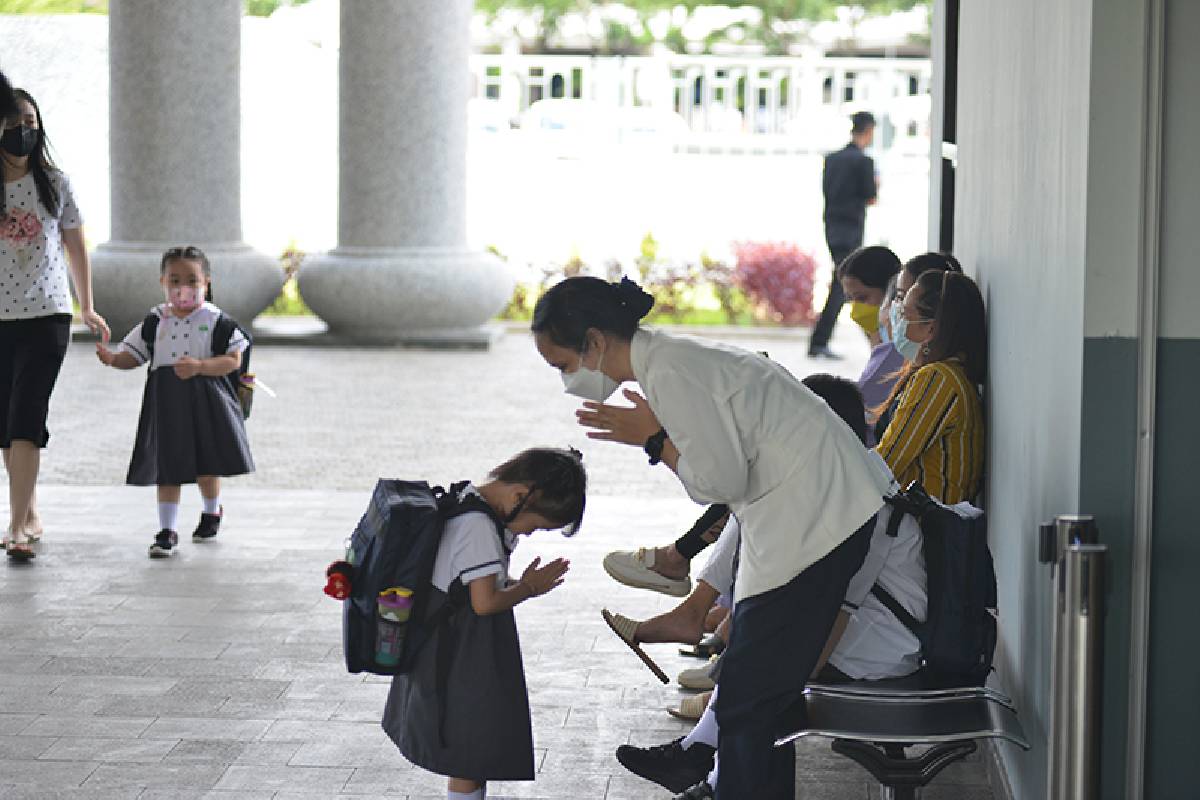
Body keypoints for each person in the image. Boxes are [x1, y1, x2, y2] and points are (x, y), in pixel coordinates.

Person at [532, 276, 891, 799]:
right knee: (761, 697)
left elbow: (719, 483)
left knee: (747, 701)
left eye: (564, 364)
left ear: (594, 341)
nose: (568, 379)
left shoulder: (671, 371)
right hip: (816, 520)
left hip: (817, 526)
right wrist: (656, 435)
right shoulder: (669, 361)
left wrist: (654, 439)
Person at [609, 376, 927, 799]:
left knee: (763, 655)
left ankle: (702, 752)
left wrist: (785, 661)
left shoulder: (867, 501)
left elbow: (842, 609)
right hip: (860, 628)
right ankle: (703, 757)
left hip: (883, 645)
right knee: (756, 512)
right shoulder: (848, 478)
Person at [381, 447, 587, 800]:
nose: (532, 533)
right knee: (469, 751)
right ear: (519, 496)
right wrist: (528, 588)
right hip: (461, 653)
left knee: (471, 748)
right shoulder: (478, 527)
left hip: (451, 643)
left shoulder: (467, 500)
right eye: (535, 525)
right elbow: (485, 602)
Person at [0, 88, 109, 561]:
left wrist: (86, 305)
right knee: (6, 423)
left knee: (26, 415)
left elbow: (76, 247)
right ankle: (29, 512)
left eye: (30, 120)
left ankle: (15, 527)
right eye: (12, 121)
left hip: (47, 315)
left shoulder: (55, 183)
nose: (23, 130)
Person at [95, 246, 253, 557]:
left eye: (192, 280)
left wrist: (200, 367)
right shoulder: (156, 321)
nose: (183, 288)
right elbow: (134, 355)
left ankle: (211, 511)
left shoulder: (217, 321)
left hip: (209, 401)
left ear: (206, 282)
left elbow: (233, 360)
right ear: (162, 282)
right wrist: (113, 359)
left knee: (208, 463)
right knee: (168, 465)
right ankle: (167, 530)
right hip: (167, 402)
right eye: (175, 280)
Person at [877, 269, 986, 504]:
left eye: (905, 314)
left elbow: (885, 463)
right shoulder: (950, 375)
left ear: (931, 329)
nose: (899, 323)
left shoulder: (938, 379)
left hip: (924, 532)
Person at [809, 111, 878, 360]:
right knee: (847, 283)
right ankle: (874, 338)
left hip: (832, 227)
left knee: (843, 283)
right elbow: (870, 196)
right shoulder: (864, 162)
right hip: (851, 230)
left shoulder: (832, 159)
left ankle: (822, 341)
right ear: (869, 131)